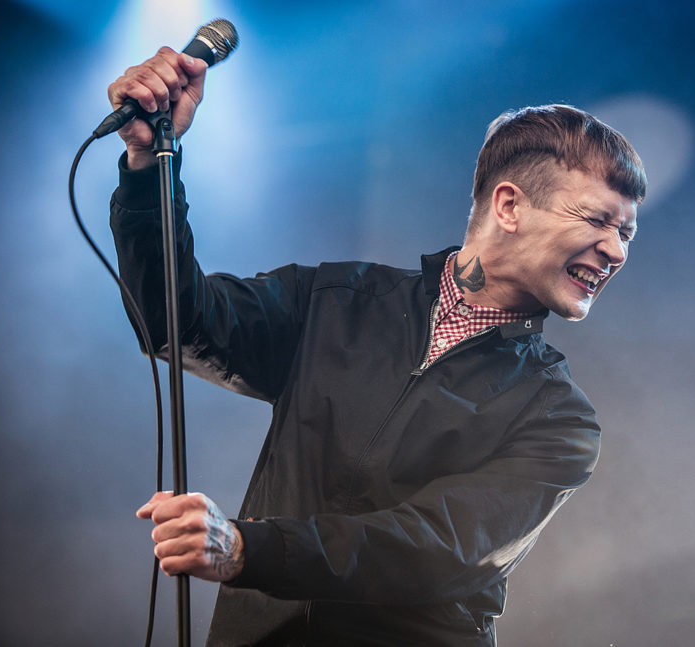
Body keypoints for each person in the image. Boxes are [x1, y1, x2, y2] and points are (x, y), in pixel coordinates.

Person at [107, 46, 646, 646]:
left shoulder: (558, 415)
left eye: (626, 232)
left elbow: (437, 549)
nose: (617, 251)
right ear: (510, 204)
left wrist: (244, 548)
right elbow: (177, 321)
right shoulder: (335, 299)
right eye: (599, 221)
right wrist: (148, 161)